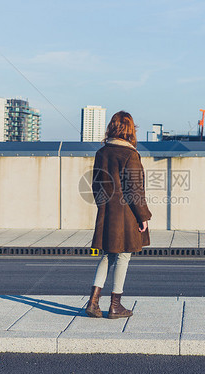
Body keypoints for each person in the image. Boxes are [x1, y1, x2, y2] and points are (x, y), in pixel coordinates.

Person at [85, 111, 152, 319]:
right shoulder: (130, 154)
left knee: (107, 255)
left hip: (107, 213)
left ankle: (93, 302)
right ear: (131, 130)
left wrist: (104, 206)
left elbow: (96, 186)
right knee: (123, 256)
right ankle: (116, 305)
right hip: (126, 215)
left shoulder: (102, 153)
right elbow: (134, 190)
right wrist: (143, 217)